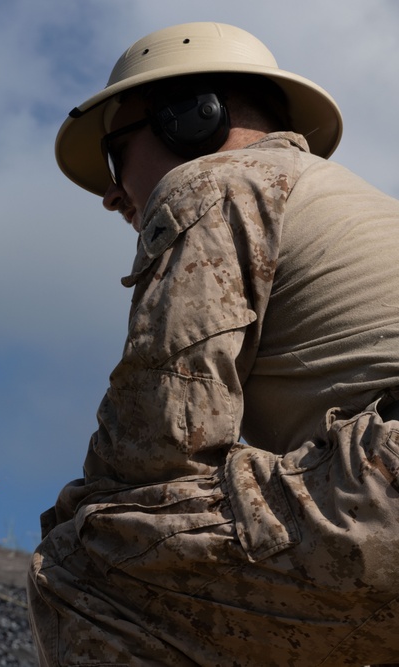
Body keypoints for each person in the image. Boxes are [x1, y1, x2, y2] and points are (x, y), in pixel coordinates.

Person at [28, 21, 399, 665]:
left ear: (188, 121)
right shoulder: (353, 201)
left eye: (116, 157)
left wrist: (81, 508)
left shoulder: (214, 182)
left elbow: (159, 443)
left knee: (84, 557)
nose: (113, 195)